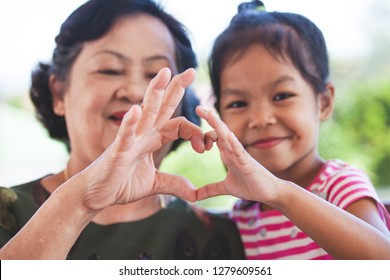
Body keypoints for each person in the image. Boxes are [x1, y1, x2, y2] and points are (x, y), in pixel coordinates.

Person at [0, 0, 244, 260]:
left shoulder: (220, 238)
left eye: (156, 75)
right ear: (59, 93)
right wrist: (80, 202)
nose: (136, 91)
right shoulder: (8, 213)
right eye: (110, 70)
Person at [195, 1, 390, 259]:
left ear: (324, 102)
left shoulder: (339, 185)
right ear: (220, 118)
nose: (261, 119)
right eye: (238, 103)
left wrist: (281, 193)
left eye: (282, 95)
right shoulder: (244, 215)